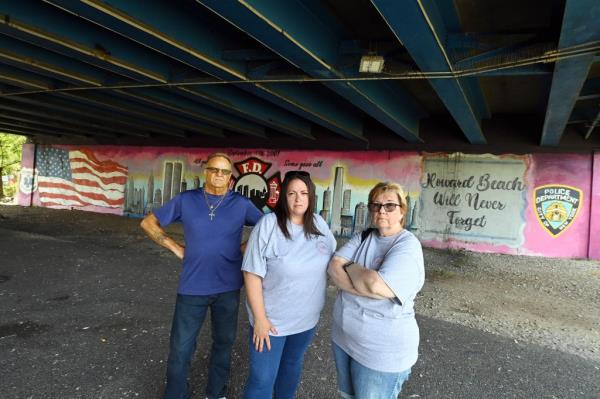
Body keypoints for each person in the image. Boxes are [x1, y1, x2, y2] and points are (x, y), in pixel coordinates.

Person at [140, 152, 263, 399]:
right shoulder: (187, 200)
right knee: (180, 349)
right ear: (205, 172)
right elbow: (148, 223)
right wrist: (176, 248)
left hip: (228, 287)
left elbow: (267, 228)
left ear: (231, 178)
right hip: (192, 287)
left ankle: (216, 393)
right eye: (214, 170)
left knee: (223, 345)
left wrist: (244, 247)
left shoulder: (240, 204)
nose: (218, 175)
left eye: (224, 172)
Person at [241, 170, 336, 399]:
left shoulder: (319, 224)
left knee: (291, 366)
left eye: (304, 193)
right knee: (262, 378)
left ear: (311, 196)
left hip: (305, 320)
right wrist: (261, 319)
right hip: (271, 322)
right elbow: (252, 273)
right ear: (283, 196)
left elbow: (335, 259)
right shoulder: (268, 225)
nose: (298, 198)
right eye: (292, 193)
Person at [327, 182, 424, 399]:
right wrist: (362, 282)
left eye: (390, 206)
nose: (382, 210)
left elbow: (375, 284)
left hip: (380, 353)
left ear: (402, 211)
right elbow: (334, 266)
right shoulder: (364, 236)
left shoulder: (407, 246)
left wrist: (350, 267)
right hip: (344, 341)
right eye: (376, 205)